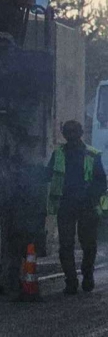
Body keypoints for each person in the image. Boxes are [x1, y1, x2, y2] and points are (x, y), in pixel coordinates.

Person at [47, 120, 108, 294]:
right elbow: (48, 174)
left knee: (88, 245)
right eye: (68, 132)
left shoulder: (92, 154)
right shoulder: (58, 154)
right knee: (66, 245)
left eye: (74, 132)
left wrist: (90, 196)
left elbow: (101, 182)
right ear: (64, 134)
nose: (71, 135)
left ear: (80, 133)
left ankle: (87, 275)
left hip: (86, 206)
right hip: (65, 205)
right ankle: (71, 281)